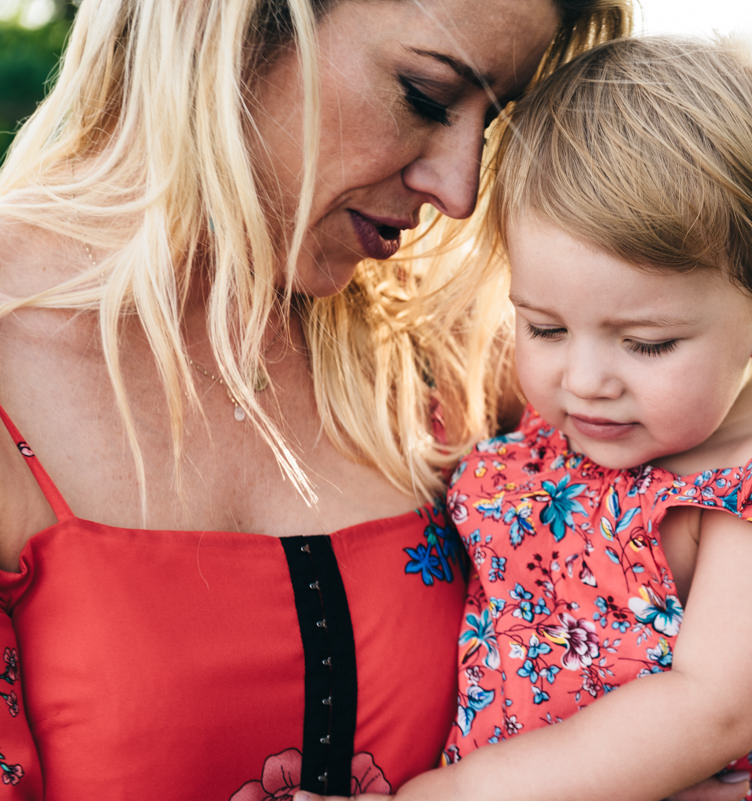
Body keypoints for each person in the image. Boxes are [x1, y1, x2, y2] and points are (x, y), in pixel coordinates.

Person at [0, 1, 638, 798]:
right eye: (427, 96)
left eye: (492, 120)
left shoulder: (450, 353)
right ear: (236, 26)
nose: (461, 188)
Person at [297, 33, 752, 801]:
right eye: (544, 327)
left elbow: (710, 711)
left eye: (646, 343)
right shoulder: (557, 432)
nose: (583, 380)